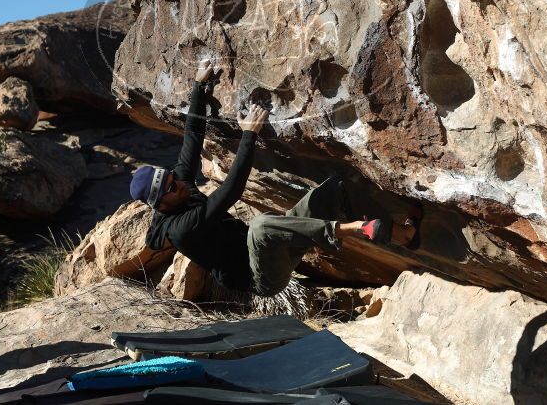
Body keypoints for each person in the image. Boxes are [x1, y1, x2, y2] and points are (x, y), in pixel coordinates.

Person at [130, 60, 420, 297]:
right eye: (170, 186)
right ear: (161, 204)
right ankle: (356, 228)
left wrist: (200, 86)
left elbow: (191, 139)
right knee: (261, 226)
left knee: (336, 189)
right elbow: (229, 192)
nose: (178, 182)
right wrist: (248, 136)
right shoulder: (180, 230)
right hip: (263, 277)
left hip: (276, 247)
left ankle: (403, 235)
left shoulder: (177, 186)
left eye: (172, 177)